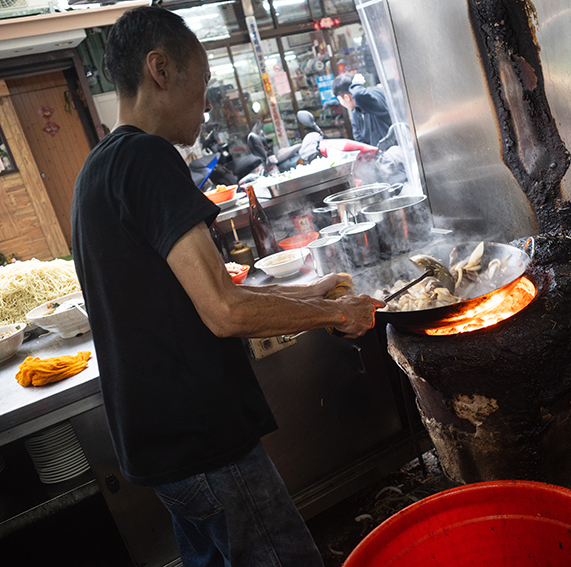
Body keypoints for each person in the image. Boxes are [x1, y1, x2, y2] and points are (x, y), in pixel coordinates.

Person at [70, 7, 384, 567]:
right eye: (205, 80)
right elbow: (223, 310)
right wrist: (335, 317)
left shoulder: (96, 172)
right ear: (160, 69)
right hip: (203, 443)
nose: (209, 101)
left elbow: (193, 298)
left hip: (162, 453)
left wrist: (308, 296)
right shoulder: (147, 157)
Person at [332, 72, 395, 149]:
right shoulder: (356, 113)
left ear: (347, 97)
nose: (341, 103)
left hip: (396, 153)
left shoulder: (375, 95)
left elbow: (359, 94)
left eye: (339, 99)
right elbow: (360, 143)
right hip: (379, 158)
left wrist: (357, 83)